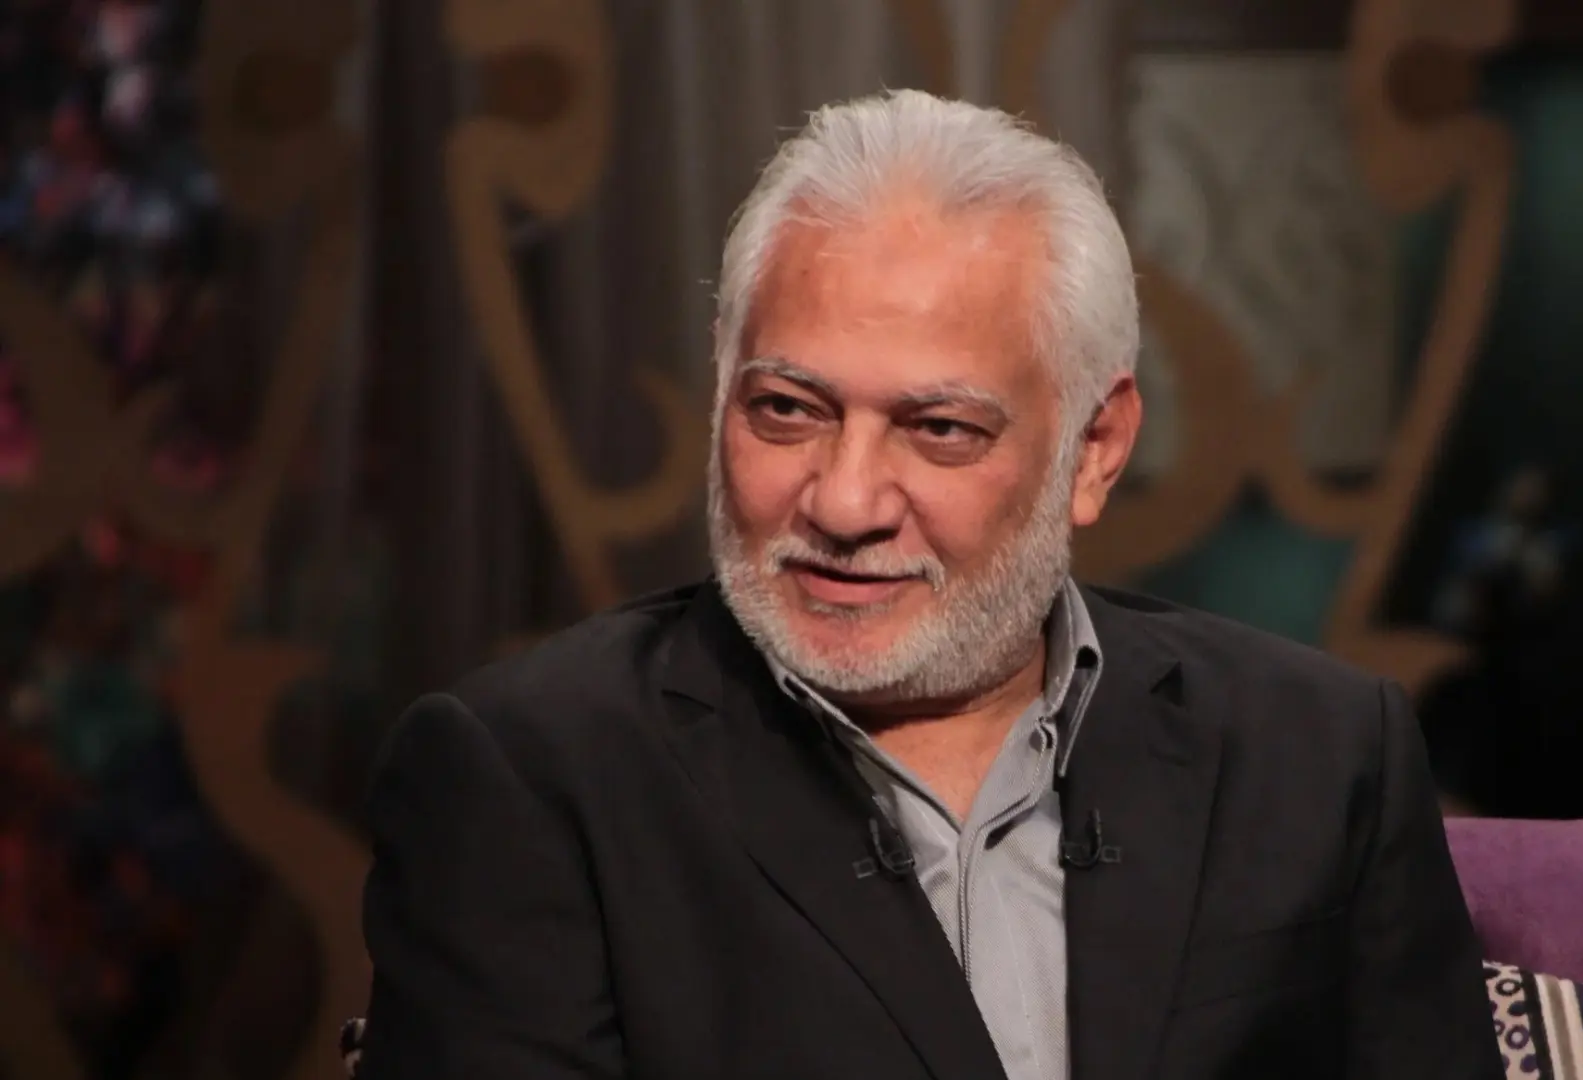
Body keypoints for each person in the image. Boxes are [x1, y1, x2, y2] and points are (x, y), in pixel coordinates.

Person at [356, 89, 1499, 1080]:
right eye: (786, 410)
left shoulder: (1319, 755)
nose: (845, 502)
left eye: (940, 429)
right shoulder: (526, 779)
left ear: (1093, 450)